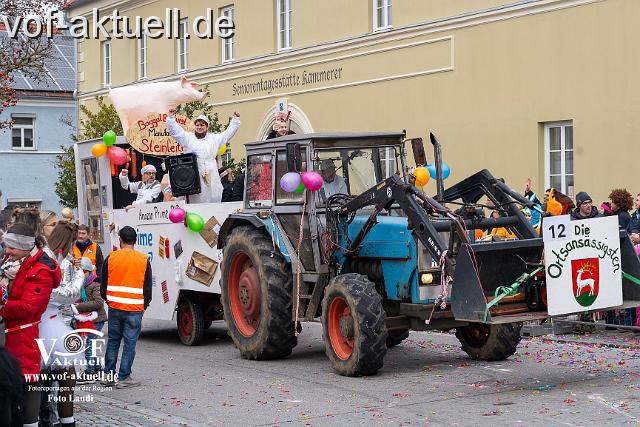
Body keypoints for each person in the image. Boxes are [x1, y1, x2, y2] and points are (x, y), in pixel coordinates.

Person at [0, 223, 61, 427]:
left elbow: (29, 308)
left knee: (25, 388)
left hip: (23, 338)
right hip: (9, 336)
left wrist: (2, 305)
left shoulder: (41, 270)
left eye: (12, 247)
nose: (7, 251)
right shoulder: (13, 262)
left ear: (26, 247)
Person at [38, 220, 84, 427]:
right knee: (62, 376)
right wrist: (80, 275)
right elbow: (65, 294)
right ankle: (55, 420)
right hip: (44, 324)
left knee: (52, 378)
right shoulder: (47, 259)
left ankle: (54, 418)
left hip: (51, 322)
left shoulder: (54, 257)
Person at [100, 226, 152, 388]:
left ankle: (108, 375)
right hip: (135, 309)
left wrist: (108, 300)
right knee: (130, 343)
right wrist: (144, 304)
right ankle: (124, 377)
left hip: (115, 307)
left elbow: (104, 284)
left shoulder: (111, 258)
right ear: (135, 241)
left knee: (113, 340)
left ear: (120, 240)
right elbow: (147, 287)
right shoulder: (143, 260)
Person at [167, 110, 241, 203]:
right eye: (197, 125)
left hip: (211, 172)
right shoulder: (188, 138)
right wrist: (170, 118)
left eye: (202, 125)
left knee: (213, 196)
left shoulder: (214, 138)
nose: (199, 127)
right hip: (194, 172)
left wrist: (235, 120)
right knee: (195, 198)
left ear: (207, 127)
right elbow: (175, 132)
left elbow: (227, 134)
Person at [73, 257, 107, 382]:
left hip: (97, 319)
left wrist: (80, 306)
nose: (81, 275)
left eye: (83, 272)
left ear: (89, 272)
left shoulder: (95, 284)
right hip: (88, 319)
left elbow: (98, 302)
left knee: (89, 344)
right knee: (89, 344)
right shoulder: (80, 284)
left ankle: (90, 372)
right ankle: (97, 367)